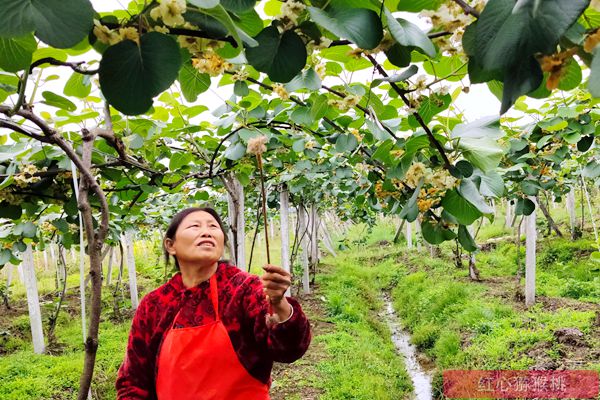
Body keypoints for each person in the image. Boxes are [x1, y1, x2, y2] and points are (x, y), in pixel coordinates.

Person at [116, 206, 311, 399]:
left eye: (213, 226)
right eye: (195, 226)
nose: (206, 232)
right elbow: (133, 380)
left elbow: (289, 350)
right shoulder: (156, 304)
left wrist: (281, 305)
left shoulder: (243, 289)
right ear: (170, 245)